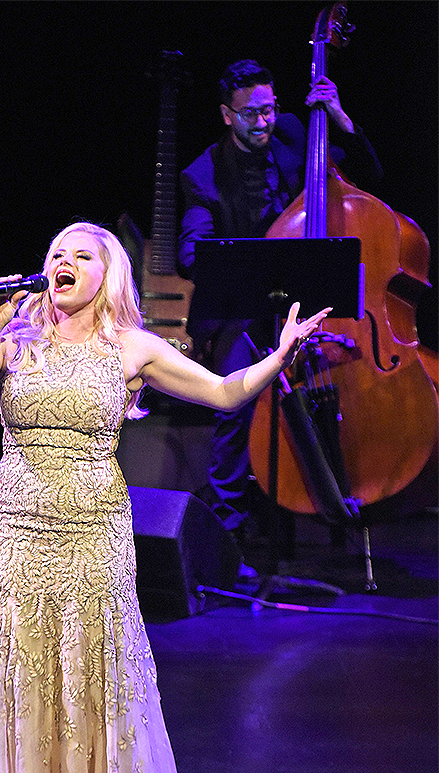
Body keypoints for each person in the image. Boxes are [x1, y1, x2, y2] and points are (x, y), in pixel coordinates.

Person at [0, 220, 330, 773]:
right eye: (56, 253)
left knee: (95, 672)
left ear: (107, 273)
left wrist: (280, 356)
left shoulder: (132, 346)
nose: (64, 263)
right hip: (19, 530)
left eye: (80, 255)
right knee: (26, 672)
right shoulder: (17, 337)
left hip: (95, 532)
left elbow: (225, 393)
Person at [178, 59, 383, 542]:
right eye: (250, 113)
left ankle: (342, 508)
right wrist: (240, 258)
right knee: (233, 403)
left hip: (307, 306)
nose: (264, 122)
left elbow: (370, 178)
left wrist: (339, 118)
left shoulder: (296, 134)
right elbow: (190, 252)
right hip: (245, 314)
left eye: (269, 109)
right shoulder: (203, 174)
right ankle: (228, 533)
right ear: (227, 115)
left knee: (341, 394)